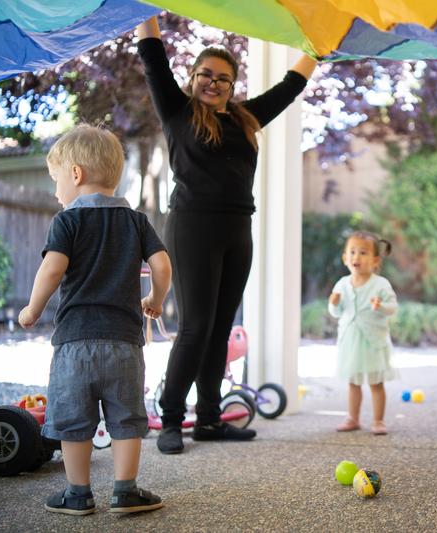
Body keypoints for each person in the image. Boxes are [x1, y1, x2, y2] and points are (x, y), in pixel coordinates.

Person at [135, 17, 317, 454]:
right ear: (192, 78)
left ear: (233, 85)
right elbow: (153, 55)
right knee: (195, 327)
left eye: (223, 78)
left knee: (220, 329)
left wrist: (321, 46)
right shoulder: (177, 111)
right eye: (206, 75)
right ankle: (173, 417)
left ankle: (211, 419)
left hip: (238, 229)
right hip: (193, 226)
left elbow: (291, 85)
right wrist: (145, 10)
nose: (213, 83)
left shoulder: (245, 119)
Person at [18, 125, 172, 515]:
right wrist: (154, 297)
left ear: (75, 174)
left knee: (73, 421)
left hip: (74, 343)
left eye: (56, 181)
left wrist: (33, 309)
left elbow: (52, 270)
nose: (56, 192)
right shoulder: (136, 221)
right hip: (124, 342)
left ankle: (78, 494)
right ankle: (125, 491)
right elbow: (162, 263)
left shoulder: (66, 221)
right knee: (126, 419)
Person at [328, 231, 398, 435]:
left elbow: (392, 307)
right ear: (345, 258)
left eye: (363, 252)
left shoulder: (381, 284)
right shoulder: (342, 283)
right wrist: (333, 304)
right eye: (352, 252)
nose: (356, 257)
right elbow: (337, 312)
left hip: (373, 340)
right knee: (353, 382)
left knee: (376, 381)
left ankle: (378, 420)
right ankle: (353, 418)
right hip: (351, 340)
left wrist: (381, 306)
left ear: (375, 260)